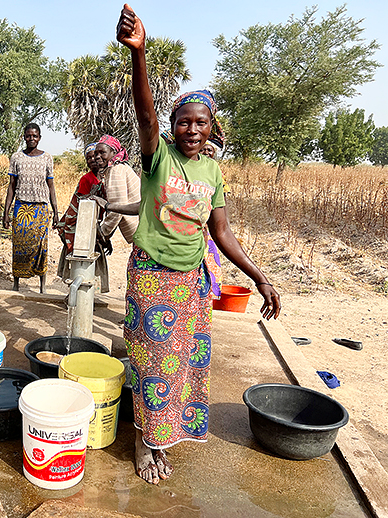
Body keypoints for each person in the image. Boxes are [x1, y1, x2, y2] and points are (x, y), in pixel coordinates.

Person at [113, 5, 280, 484]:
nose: (191, 129)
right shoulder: (156, 156)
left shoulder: (212, 171)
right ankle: (146, 443)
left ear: (211, 128)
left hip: (191, 282)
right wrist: (139, 54)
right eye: (182, 122)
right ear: (171, 126)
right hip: (151, 277)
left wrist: (260, 278)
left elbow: (221, 232)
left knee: (183, 362)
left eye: (200, 123)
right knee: (150, 362)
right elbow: (144, 112)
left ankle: (165, 435)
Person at [2, 123, 59, 293]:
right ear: (24, 137)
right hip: (21, 207)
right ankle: (17, 282)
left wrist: (56, 212)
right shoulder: (16, 157)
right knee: (19, 245)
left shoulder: (47, 157)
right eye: (28, 136)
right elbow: (11, 186)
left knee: (41, 246)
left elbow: (51, 186)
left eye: (35, 136)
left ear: (39, 138)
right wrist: (6, 213)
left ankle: (42, 285)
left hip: (41, 208)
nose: (31, 139)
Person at [57, 142, 110, 293]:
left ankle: (86, 296)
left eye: (95, 156)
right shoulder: (87, 179)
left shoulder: (106, 177)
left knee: (91, 261)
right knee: (81, 259)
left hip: (95, 226)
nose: (93, 160)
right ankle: (76, 295)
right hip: (82, 228)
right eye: (89, 158)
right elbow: (84, 208)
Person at [94, 134, 141, 244]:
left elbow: (117, 208)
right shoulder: (118, 168)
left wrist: (103, 232)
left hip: (141, 229)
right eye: (96, 153)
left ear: (113, 153)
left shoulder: (116, 170)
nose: (97, 156)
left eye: (102, 152)